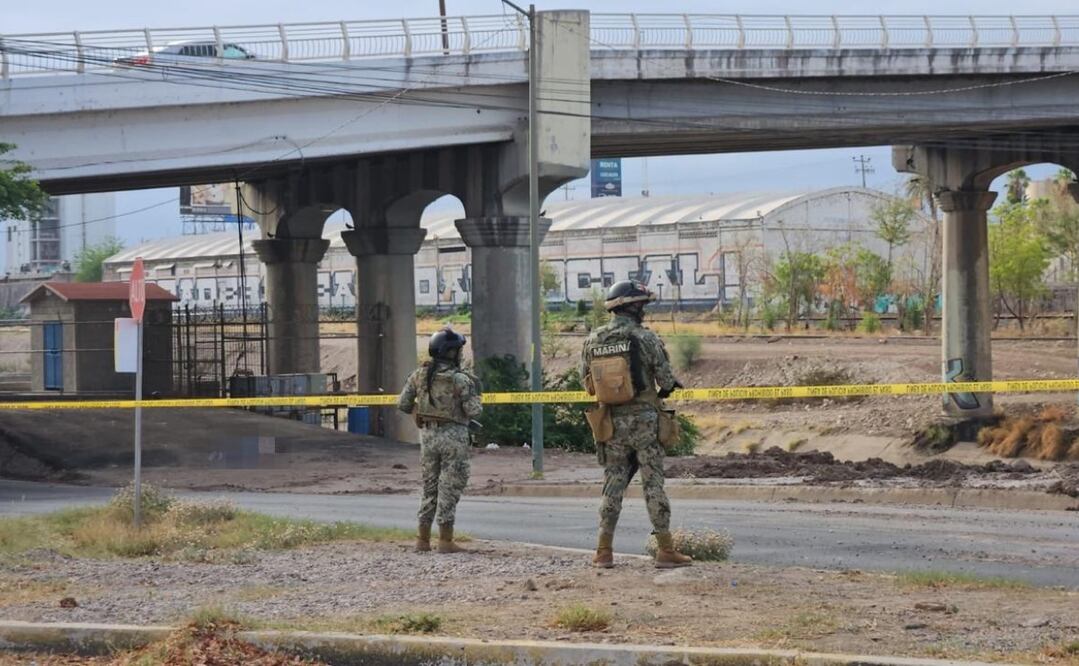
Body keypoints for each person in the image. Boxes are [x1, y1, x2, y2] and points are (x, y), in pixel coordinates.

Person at [580, 280, 692, 569]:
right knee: (653, 484)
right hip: (644, 422)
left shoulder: (593, 340)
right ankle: (666, 551)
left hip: (611, 423)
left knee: (612, 485)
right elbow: (666, 381)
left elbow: (589, 386)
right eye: (641, 304)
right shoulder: (645, 338)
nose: (644, 309)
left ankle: (603, 552)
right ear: (631, 306)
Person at [398, 327, 482, 554]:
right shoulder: (459, 379)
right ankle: (445, 540)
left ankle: (422, 539)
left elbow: (403, 404)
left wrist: (419, 410)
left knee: (430, 487)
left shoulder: (419, 375)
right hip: (453, 438)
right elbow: (474, 410)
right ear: (451, 353)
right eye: (458, 350)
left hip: (428, 437)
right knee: (450, 486)